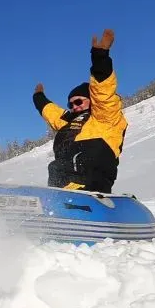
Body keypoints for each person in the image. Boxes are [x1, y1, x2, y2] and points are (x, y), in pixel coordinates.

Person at [33, 29, 127, 193]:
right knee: (55, 166)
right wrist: (39, 97)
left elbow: (103, 92)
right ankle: (56, 202)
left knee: (85, 157)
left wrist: (100, 58)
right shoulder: (69, 120)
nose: (74, 107)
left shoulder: (104, 116)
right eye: (71, 104)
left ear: (91, 100)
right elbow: (51, 112)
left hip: (93, 174)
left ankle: (82, 196)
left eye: (78, 102)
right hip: (64, 180)